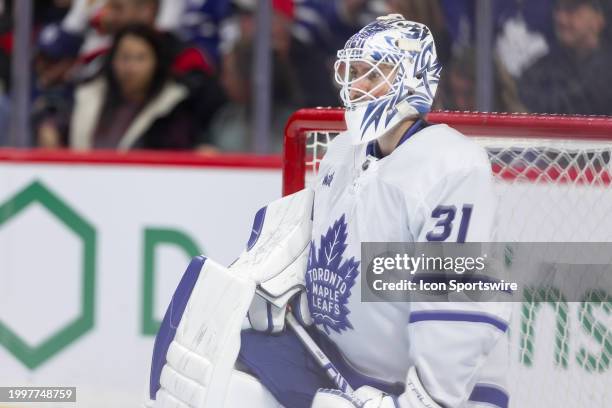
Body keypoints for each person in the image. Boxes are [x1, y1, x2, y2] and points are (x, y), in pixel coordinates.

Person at [147, 13, 511, 408]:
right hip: (339, 360)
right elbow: (331, 245)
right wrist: (293, 297)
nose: (358, 86)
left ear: (414, 80)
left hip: (445, 393)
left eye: (374, 74)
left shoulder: (452, 166)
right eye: (353, 73)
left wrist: (422, 401)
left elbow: (459, 297)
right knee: (206, 373)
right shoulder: (341, 152)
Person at [68, 24, 200, 149]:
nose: (131, 68)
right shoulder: (88, 94)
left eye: (140, 58)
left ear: (157, 62)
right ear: (112, 60)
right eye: (125, 57)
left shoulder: (173, 107)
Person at [519, 0, 612, 115]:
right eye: (557, 9)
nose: (560, 18)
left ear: (599, 18)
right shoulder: (535, 75)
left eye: (572, 9)